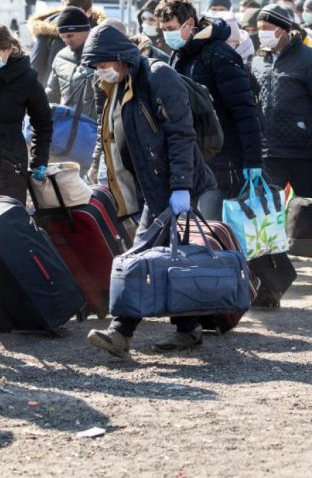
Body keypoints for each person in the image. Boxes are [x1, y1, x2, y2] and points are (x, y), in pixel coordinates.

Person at [81, 24, 215, 358]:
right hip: (147, 184)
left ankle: (121, 331)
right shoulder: (116, 85)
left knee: (140, 256)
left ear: (123, 58)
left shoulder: (159, 77)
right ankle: (190, 328)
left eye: (103, 64)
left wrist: (181, 187)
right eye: (96, 67)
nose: (101, 72)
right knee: (171, 256)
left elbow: (181, 135)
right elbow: (110, 133)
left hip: (171, 185)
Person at [158, 0, 262, 221]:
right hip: (192, 158)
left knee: (210, 229)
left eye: (171, 27)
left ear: (189, 24)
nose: (167, 34)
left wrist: (253, 160)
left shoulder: (219, 55)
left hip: (222, 160)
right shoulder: (178, 55)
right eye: (164, 28)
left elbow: (244, 111)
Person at [251, 4, 312, 235]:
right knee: (268, 213)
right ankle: (275, 263)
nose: (261, 32)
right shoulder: (258, 61)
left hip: (305, 152)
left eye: (267, 27)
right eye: (259, 27)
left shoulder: (311, 61)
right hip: (270, 151)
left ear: (282, 29)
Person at [0, 23, 52, 203]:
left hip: (7, 156)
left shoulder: (27, 79)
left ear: (8, 50)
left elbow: (43, 122)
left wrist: (39, 160)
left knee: (4, 214)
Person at [29, 0, 99, 87]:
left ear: (89, 11)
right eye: (67, 12)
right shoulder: (47, 34)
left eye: (77, 14)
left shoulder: (100, 34)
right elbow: (36, 70)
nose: (71, 18)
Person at [46, 6, 99, 119]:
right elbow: (52, 93)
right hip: (66, 129)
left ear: (86, 31)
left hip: (95, 130)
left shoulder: (104, 56)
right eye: (62, 37)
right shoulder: (60, 57)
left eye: (70, 35)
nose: (66, 41)